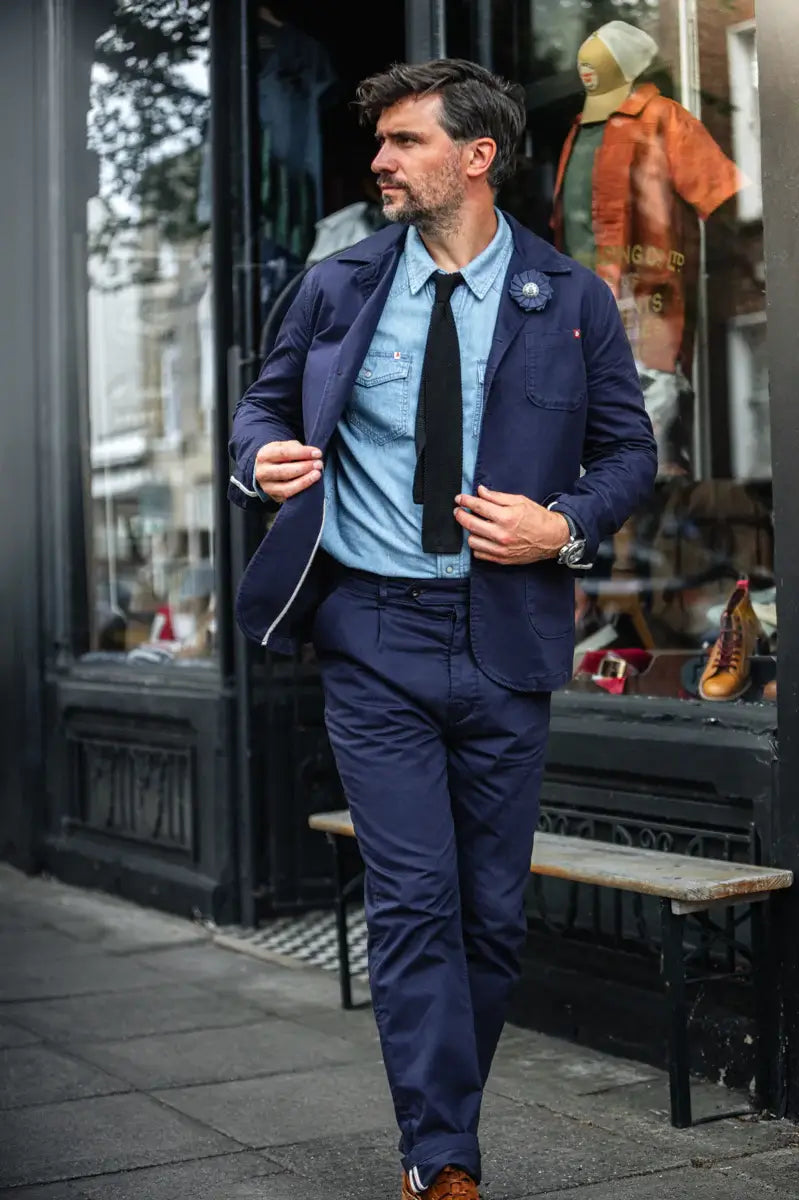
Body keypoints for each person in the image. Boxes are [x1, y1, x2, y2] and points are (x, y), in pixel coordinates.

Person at [229, 59, 656, 1200]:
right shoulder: (336, 285)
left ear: (476, 156)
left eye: (405, 141)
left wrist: (557, 524)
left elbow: (630, 457)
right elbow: (261, 407)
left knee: (493, 915)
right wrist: (255, 459)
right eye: (381, 142)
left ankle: (439, 1123)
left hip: (507, 638)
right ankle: (442, 1159)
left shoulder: (569, 300)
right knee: (413, 902)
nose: (379, 160)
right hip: (372, 634)